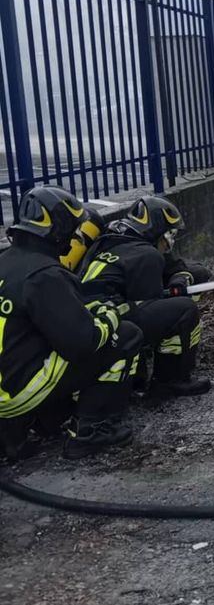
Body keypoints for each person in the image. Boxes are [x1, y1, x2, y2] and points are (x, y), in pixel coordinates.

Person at [0, 186, 142, 461]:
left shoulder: (7, 262)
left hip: (7, 379)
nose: (76, 237)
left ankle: (38, 421)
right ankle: (92, 430)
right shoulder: (45, 275)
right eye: (74, 230)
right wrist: (110, 315)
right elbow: (82, 344)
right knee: (125, 336)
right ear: (60, 230)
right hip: (18, 392)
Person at [79, 196, 213, 397]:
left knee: (194, 277)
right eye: (170, 234)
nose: (171, 242)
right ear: (158, 231)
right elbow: (147, 305)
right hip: (108, 320)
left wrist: (180, 278)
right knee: (184, 310)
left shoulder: (114, 238)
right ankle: (170, 379)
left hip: (87, 318)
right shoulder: (147, 255)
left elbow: (171, 264)